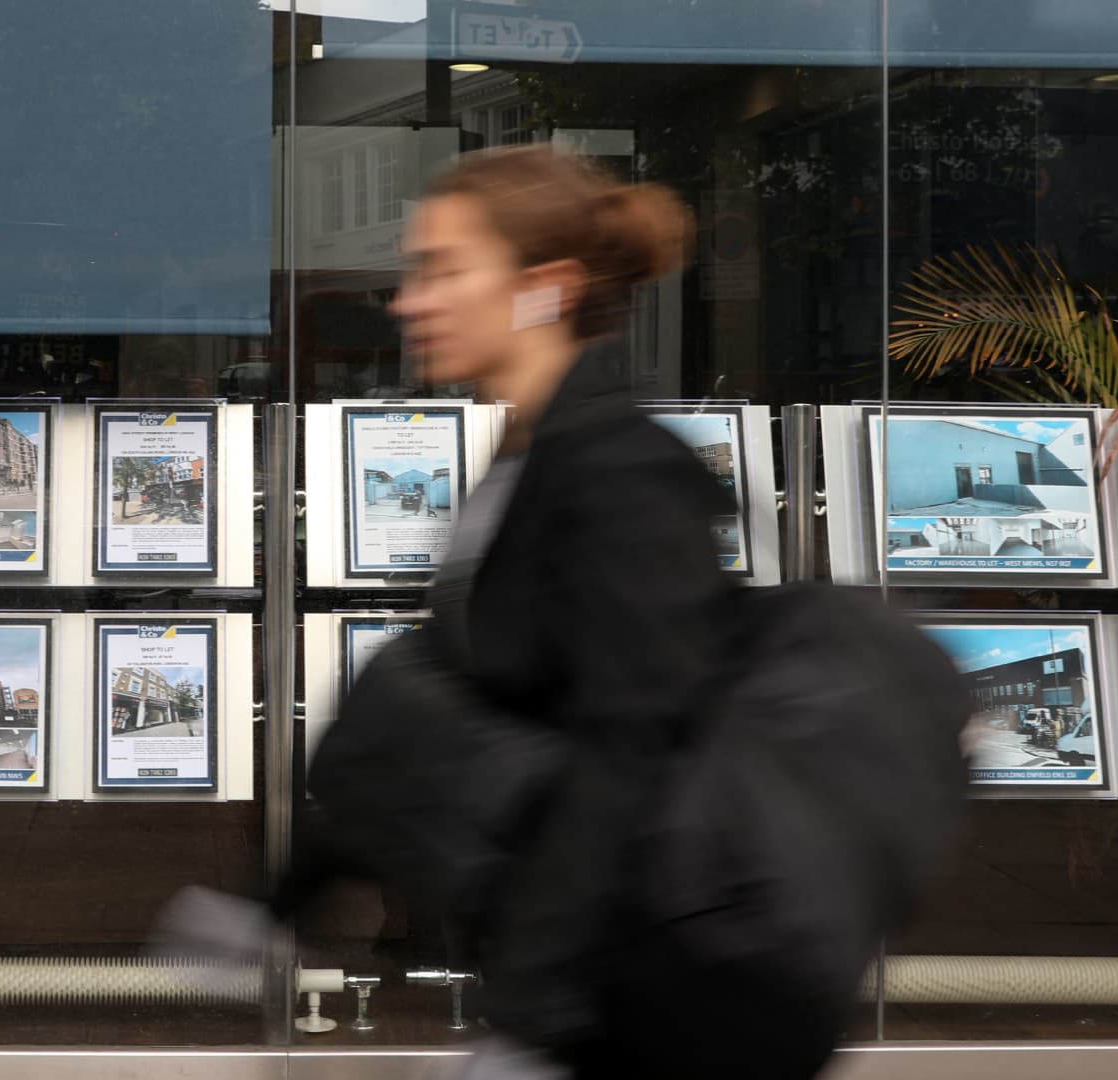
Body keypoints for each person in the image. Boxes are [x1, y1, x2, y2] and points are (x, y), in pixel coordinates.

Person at [157, 146, 964, 1080]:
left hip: (655, 999)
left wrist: (535, 1026)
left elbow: (632, 764)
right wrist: (276, 908)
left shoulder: (622, 473)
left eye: (444, 270)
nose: (410, 300)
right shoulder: (528, 460)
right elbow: (427, 713)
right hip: (594, 993)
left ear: (546, 287)